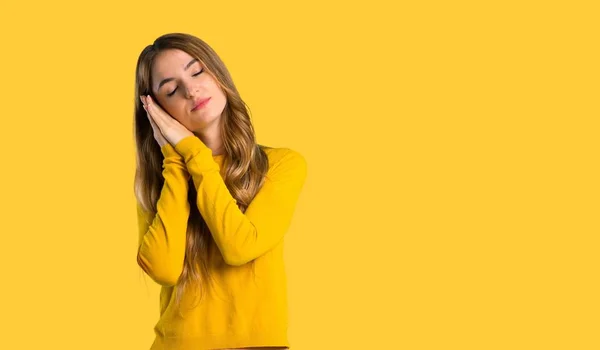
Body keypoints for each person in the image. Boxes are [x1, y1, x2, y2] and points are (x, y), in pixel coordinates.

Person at [133, 33, 307, 350]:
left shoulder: (280, 164)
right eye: (171, 89)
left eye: (197, 71)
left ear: (217, 73)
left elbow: (240, 247)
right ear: (158, 111)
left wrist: (190, 151)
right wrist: (175, 159)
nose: (191, 90)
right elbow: (164, 270)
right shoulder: (156, 181)